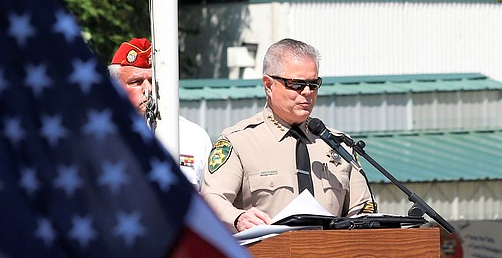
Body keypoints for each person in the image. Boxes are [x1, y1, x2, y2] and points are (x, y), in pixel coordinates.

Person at [200, 37, 375, 232]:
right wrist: (238, 218)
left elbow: (362, 212)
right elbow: (211, 198)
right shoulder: (239, 141)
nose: (307, 92)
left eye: (314, 84)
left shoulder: (337, 144)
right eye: (296, 84)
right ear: (268, 85)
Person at [109, 37, 213, 187]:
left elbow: (210, 198)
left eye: (152, 80)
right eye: (136, 82)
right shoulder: (102, 135)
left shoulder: (194, 136)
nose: (148, 89)